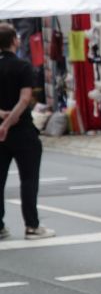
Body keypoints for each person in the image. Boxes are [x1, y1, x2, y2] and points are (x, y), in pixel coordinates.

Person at [0, 23, 54, 240]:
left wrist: (1, 118)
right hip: (22, 130)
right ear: (15, 40)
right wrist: (9, 122)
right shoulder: (23, 66)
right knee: (29, 179)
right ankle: (32, 226)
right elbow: (24, 100)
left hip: (0, 131)